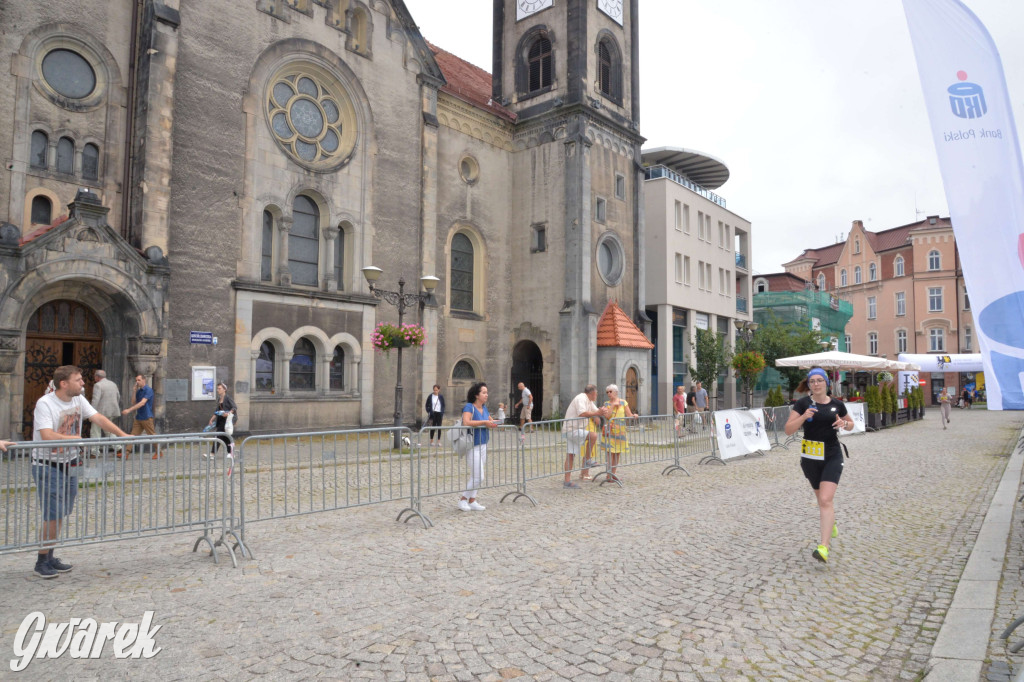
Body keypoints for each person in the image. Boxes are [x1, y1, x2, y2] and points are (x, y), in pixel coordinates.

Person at [32, 365, 130, 578]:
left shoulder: (78, 399)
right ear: (63, 383)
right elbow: (46, 435)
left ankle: (49, 555)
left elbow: (98, 418)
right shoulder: (45, 404)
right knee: (52, 513)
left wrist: (123, 435)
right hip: (48, 465)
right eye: (78, 380)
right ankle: (41, 562)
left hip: (70, 464)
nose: (83, 383)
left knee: (61, 512)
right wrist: (73, 439)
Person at [784, 367, 854, 565]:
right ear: (809, 385)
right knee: (822, 499)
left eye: (819, 380)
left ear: (826, 383)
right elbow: (788, 430)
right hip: (810, 458)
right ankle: (831, 522)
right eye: (812, 381)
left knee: (825, 499)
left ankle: (823, 547)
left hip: (832, 455)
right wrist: (803, 417)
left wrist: (844, 424)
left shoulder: (837, 404)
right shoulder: (802, 403)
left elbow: (851, 424)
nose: (816, 384)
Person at [458, 382, 498, 512]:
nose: (486, 395)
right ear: (477, 395)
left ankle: (472, 499)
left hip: (483, 443)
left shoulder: (484, 408)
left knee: (476, 475)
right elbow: (466, 422)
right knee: (479, 476)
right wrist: (484, 422)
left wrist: (494, 423)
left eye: (487, 392)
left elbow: (489, 420)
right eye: (484, 392)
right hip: (472, 445)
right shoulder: (469, 407)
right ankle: (463, 498)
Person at [562, 384, 610, 488]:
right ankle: (587, 460)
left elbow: (596, 411)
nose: (596, 396)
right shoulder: (581, 398)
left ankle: (567, 481)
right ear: (592, 393)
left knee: (570, 455)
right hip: (572, 429)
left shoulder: (589, 401)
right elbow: (582, 413)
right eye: (596, 394)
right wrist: (597, 413)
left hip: (574, 429)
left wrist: (602, 412)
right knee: (593, 436)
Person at [122, 374, 161, 459]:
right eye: (136, 380)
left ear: (144, 380)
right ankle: (126, 453)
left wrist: (129, 410)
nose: (137, 382)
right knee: (132, 435)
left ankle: (159, 452)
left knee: (152, 435)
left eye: (139, 380)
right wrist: (134, 391)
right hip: (139, 417)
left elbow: (142, 403)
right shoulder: (139, 391)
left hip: (146, 417)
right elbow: (133, 401)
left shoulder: (148, 390)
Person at [602, 384, 633, 482]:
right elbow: (607, 416)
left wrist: (634, 416)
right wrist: (612, 406)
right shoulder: (606, 403)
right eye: (607, 392)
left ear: (616, 392)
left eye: (610, 391)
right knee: (610, 453)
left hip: (620, 431)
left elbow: (629, 415)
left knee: (617, 453)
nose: (609, 394)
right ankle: (608, 474)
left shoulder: (623, 402)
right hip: (610, 431)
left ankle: (613, 473)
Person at [206, 382, 238, 456]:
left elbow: (234, 407)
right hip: (221, 420)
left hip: (228, 420)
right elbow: (217, 411)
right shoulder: (219, 399)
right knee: (224, 437)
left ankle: (213, 453)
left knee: (219, 436)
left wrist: (228, 413)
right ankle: (231, 452)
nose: (218, 390)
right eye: (217, 388)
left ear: (224, 389)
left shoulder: (228, 398)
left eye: (219, 388)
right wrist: (211, 419)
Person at [89, 369, 121, 441]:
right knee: (109, 430)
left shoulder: (98, 385)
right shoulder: (113, 384)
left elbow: (95, 400)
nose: (94, 378)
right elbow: (118, 397)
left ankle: (95, 450)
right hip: (112, 411)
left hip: (100, 413)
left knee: (95, 431)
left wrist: (91, 412)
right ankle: (118, 447)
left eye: (95, 376)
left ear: (97, 376)